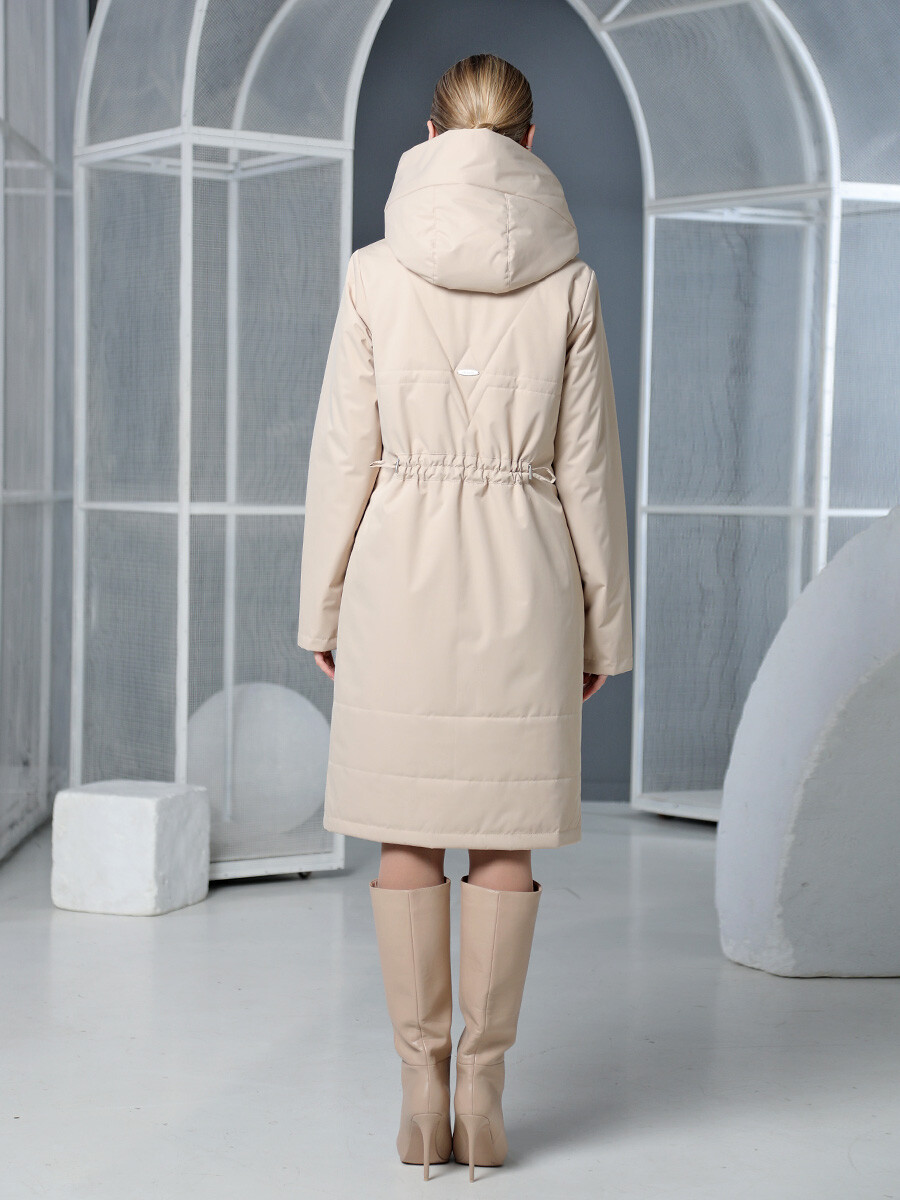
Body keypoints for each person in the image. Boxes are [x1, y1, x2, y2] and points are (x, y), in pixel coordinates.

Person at [296, 53, 633, 1181]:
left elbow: (345, 457)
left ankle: (418, 1097)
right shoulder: (571, 284)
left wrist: (322, 607)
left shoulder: (373, 274)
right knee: (502, 835)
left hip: (398, 576)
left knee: (404, 833)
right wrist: (602, 625)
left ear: (431, 138)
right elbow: (589, 473)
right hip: (526, 577)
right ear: (529, 146)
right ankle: (482, 1097)